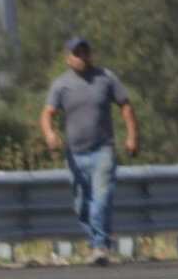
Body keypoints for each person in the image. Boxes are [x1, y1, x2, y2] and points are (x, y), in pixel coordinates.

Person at [41, 35, 140, 266]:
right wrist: (50, 134)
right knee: (82, 204)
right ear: (68, 58)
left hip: (103, 150)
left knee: (101, 199)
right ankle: (97, 239)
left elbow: (125, 106)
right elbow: (47, 114)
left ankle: (100, 246)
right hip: (75, 154)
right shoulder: (61, 85)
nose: (82, 57)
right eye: (77, 53)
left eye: (85, 52)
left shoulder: (106, 78)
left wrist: (132, 136)